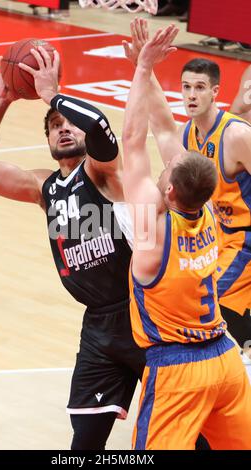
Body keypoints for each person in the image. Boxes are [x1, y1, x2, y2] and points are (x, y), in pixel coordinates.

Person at [0, 50, 146, 449]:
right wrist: (2, 98)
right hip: (98, 327)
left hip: (143, 315)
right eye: (55, 127)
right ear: (46, 140)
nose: (63, 129)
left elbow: (97, 124)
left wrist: (54, 96)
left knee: (189, 431)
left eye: (69, 125)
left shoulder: (103, 172)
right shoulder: (46, 189)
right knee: (84, 443)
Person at [122, 24, 251, 450]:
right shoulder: (212, 212)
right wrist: (147, 70)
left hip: (179, 366)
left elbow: (135, 143)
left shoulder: (151, 233)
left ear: (171, 189)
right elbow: (162, 130)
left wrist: (143, 68)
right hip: (224, 359)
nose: (166, 166)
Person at [178, 58, 251, 360]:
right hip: (223, 233)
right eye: (186, 87)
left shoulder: (236, 136)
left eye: (199, 88)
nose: (191, 95)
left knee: (207, 295)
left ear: (215, 92)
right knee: (206, 293)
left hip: (246, 238)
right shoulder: (188, 133)